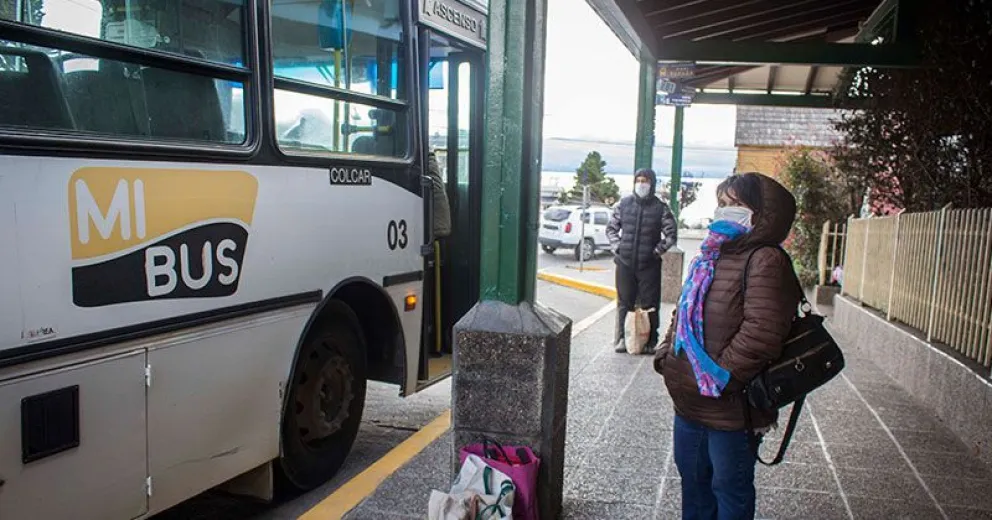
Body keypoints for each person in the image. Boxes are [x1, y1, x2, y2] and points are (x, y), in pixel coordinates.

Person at [654, 172, 801, 520]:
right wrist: (666, 355)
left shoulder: (765, 259)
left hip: (732, 407)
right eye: (722, 202)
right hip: (689, 401)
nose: (724, 210)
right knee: (694, 487)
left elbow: (763, 333)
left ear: (761, 213)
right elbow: (683, 310)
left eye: (735, 203)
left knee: (729, 491)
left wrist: (721, 378)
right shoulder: (711, 253)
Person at [606, 168, 678, 354]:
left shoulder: (661, 208)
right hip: (625, 263)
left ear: (652, 183)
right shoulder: (623, 204)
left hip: (649, 264)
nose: (641, 184)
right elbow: (611, 229)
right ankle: (622, 339)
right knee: (624, 303)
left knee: (650, 303)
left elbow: (671, 235)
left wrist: (656, 252)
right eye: (638, 180)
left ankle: (650, 341)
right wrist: (618, 247)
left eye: (645, 181)